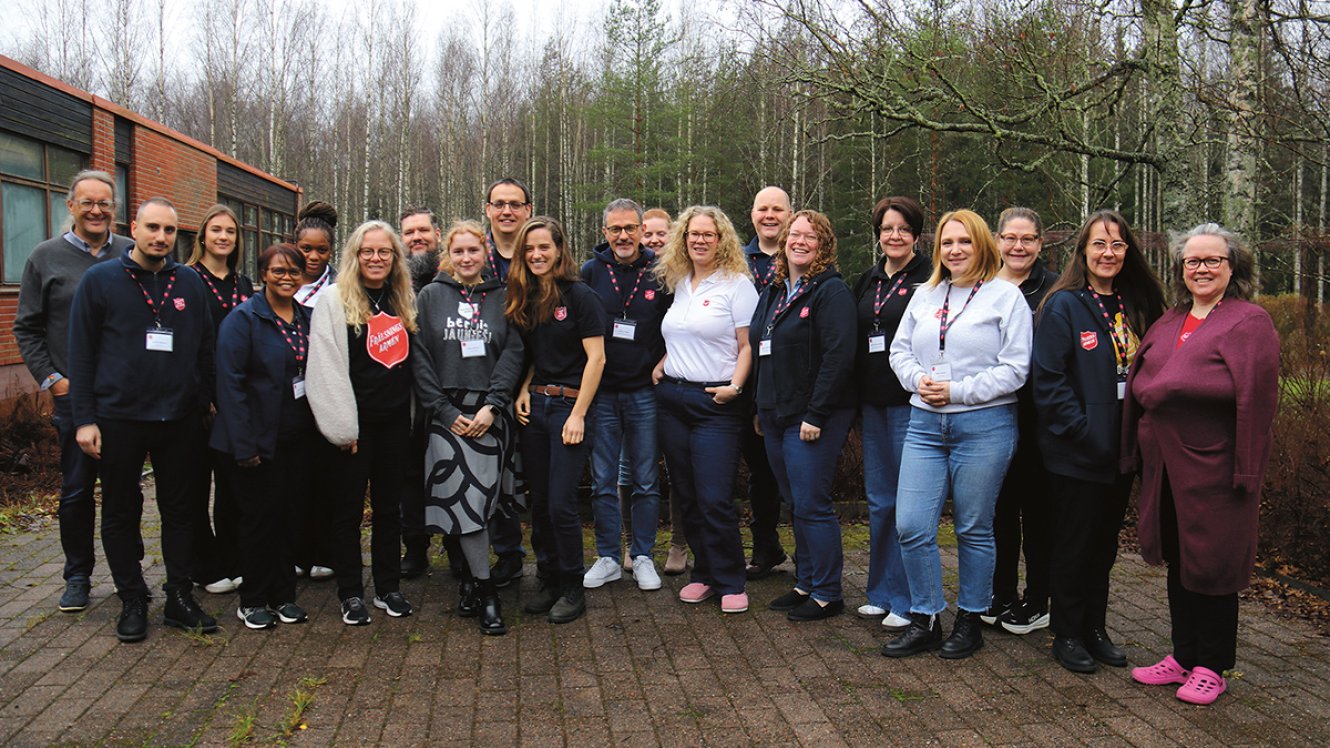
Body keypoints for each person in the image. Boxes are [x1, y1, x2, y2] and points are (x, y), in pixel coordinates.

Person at [1122, 224, 1278, 705]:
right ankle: (1184, 655)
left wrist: (1247, 469)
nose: (1202, 269)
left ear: (1233, 267)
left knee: (1213, 566)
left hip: (1217, 468)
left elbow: (1258, 401)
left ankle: (1212, 665)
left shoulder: (1249, 322)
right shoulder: (1171, 319)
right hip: (1167, 467)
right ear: (1180, 269)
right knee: (1181, 560)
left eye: (1213, 260)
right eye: (1193, 261)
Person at [67, 197, 219, 643]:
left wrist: (205, 403)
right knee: (119, 510)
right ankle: (132, 597)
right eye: (152, 227)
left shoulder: (189, 282)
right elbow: (81, 354)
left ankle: (178, 596)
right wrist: (84, 419)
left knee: (181, 511)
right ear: (133, 228)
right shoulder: (100, 281)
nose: (161, 237)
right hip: (119, 418)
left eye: (169, 230)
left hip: (179, 420)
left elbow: (205, 348)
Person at [884, 209, 1032, 659]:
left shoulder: (1006, 297)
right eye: (947, 242)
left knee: (973, 527)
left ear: (982, 244)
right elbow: (899, 351)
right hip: (925, 424)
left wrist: (959, 391)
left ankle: (970, 619)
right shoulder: (926, 294)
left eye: (964, 241)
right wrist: (917, 381)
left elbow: (1016, 368)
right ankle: (926, 617)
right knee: (911, 525)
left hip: (984, 425)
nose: (955, 250)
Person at [1032, 210, 1167, 673]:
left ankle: (1094, 628)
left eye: (1117, 245)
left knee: (1104, 545)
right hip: (1078, 451)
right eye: (1099, 244)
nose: (1108, 253)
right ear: (1083, 251)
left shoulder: (1138, 303)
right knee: (1074, 543)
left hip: (1124, 450)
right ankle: (1067, 633)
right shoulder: (1063, 305)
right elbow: (1049, 382)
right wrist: (1084, 433)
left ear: (1128, 252)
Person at [13, 169, 134, 613]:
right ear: (71, 206)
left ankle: (128, 575)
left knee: (125, 493)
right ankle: (77, 576)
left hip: (124, 399)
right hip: (74, 398)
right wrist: (54, 380)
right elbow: (27, 328)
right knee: (77, 491)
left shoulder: (131, 253)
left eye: (105, 203)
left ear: (114, 208)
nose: (97, 210)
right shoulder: (45, 257)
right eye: (88, 202)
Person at [414, 221, 526, 635]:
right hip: (448, 416)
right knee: (462, 501)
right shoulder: (430, 296)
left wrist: (493, 406)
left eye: (473, 250)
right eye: (458, 251)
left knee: (486, 503)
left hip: (490, 415)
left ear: (485, 253)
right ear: (448, 254)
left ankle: (469, 582)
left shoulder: (505, 295)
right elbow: (420, 358)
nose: (466, 258)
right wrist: (443, 411)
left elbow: (514, 352)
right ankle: (485, 591)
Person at [307, 220, 417, 625]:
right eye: (367, 251)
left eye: (384, 251)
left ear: (395, 257)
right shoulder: (334, 299)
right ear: (355, 255)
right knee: (347, 511)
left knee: (389, 510)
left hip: (394, 423)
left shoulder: (402, 297)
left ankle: (388, 587)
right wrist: (341, 428)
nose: (376, 258)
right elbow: (324, 366)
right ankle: (351, 592)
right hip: (354, 427)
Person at [750, 210, 857, 622]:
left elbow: (838, 357)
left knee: (812, 503)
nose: (799, 241)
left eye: (810, 236)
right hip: (774, 413)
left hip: (811, 417)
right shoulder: (776, 290)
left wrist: (817, 413)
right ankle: (806, 582)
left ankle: (828, 592)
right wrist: (760, 406)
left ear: (823, 244)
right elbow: (761, 348)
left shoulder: (831, 292)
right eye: (794, 234)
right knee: (795, 503)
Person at [653, 206, 757, 614]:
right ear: (683, 239)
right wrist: (664, 362)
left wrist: (735, 387)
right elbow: (682, 335)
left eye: (707, 235)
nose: (699, 240)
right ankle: (704, 574)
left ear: (721, 239)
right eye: (692, 234)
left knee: (714, 497)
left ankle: (731, 579)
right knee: (688, 495)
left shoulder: (737, 285)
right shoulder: (680, 282)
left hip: (716, 404)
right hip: (673, 401)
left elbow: (746, 346)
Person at [507, 216, 606, 624]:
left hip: (569, 408)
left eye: (544, 247)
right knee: (542, 504)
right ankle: (548, 579)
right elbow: (535, 354)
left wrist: (579, 413)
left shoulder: (580, 296)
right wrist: (523, 389)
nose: (536, 255)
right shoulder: (527, 297)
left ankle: (571, 587)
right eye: (529, 249)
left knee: (563, 504)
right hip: (536, 409)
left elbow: (596, 359)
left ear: (559, 249)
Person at [211, 244, 313, 629]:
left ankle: (283, 596)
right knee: (258, 521)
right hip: (253, 441)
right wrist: (245, 445)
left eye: (294, 271)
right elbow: (230, 386)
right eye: (278, 271)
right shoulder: (242, 320)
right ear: (263, 275)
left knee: (289, 518)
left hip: (296, 438)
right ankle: (253, 599)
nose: (286, 278)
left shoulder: (306, 317)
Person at [851, 196, 933, 632]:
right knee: (880, 502)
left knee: (908, 507)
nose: (894, 236)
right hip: (872, 404)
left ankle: (907, 598)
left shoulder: (930, 278)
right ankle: (880, 592)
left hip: (910, 405)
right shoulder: (867, 279)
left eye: (903, 229)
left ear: (916, 235)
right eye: (887, 228)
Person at [581, 198, 669, 592]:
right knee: (602, 480)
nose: (623, 236)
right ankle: (607, 557)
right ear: (605, 232)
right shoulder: (590, 272)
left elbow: (676, 325)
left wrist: (662, 362)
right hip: (602, 393)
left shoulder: (661, 272)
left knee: (646, 480)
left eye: (630, 228)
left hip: (644, 392)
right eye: (615, 229)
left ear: (641, 230)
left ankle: (643, 555)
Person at [984, 207, 1060, 634]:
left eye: (1027, 239)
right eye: (1010, 238)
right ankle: (1002, 593)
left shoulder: (1055, 290)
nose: (1018, 246)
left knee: (1037, 513)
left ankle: (1038, 599)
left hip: (1038, 418)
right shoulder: (983, 286)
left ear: (1040, 243)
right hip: (992, 413)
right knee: (999, 510)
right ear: (997, 241)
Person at [397, 205, 468, 582]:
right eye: (409, 232)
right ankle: (415, 547)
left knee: (451, 469)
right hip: (407, 394)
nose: (417, 238)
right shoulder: (395, 282)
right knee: (410, 472)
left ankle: (456, 547)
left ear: (437, 235)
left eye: (423, 230)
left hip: (451, 389)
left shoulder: (457, 278)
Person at [186, 204, 254, 596]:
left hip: (235, 401)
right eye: (216, 230)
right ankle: (204, 566)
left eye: (230, 231)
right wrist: (203, 398)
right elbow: (187, 344)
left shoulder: (243, 284)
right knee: (195, 486)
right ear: (203, 236)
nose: (223, 237)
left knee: (233, 487)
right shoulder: (187, 279)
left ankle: (234, 559)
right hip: (200, 401)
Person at [481, 178, 535, 587]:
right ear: (488, 209)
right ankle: (498, 554)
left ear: (528, 210)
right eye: (499, 204)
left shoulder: (537, 256)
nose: (507, 211)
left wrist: (527, 383)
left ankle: (542, 557)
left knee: (527, 474)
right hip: (482, 381)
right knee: (487, 471)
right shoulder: (473, 256)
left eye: (515, 204)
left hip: (532, 382)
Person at [741, 186, 793, 578]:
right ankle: (764, 547)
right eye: (763, 209)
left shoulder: (802, 256)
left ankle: (810, 556)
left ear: (789, 214)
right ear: (753, 214)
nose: (770, 215)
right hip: (743, 378)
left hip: (786, 380)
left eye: (777, 209)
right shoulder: (737, 259)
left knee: (789, 473)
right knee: (758, 472)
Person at [292, 200, 339, 581]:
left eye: (320, 250)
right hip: (289, 397)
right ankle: (295, 550)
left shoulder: (340, 289)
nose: (312, 256)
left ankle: (326, 550)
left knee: (327, 478)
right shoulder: (279, 282)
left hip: (328, 394)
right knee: (295, 477)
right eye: (305, 248)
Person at [642, 207, 689, 575]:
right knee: (633, 470)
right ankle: (634, 545)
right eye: (648, 233)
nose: (654, 240)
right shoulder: (632, 273)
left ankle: (679, 544)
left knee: (678, 470)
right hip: (635, 385)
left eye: (662, 233)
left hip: (673, 381)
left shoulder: (685, 276)